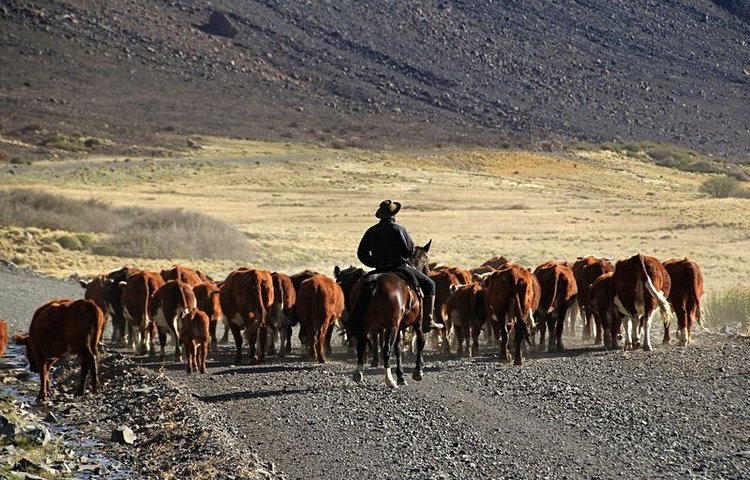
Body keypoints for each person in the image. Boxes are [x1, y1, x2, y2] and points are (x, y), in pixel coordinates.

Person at [357, 200, 443, 332]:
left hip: (379, 269)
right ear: (394, 214)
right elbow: (409, 250)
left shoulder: (372, 231)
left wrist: (374, 263)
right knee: (430, 284)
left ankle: (355, 317)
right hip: (400, 267)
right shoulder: (400, 229)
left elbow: (362, 253)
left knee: (360, 287)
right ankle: (428, 320)